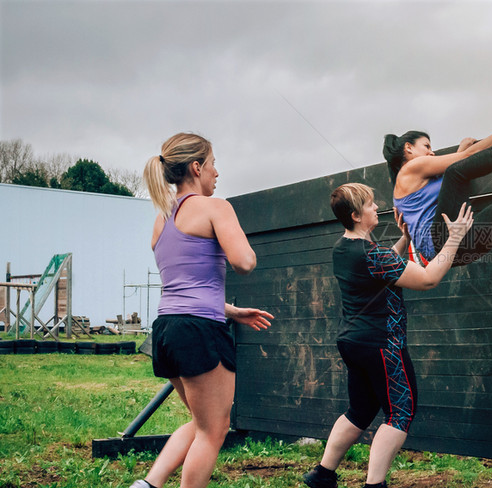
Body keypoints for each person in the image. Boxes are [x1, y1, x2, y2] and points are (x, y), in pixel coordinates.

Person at [302, 183, 473, 488]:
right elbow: (429, 279)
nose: (376, 207)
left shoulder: (343, 248)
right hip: (382, 344)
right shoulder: (371, 254)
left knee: (360, 411)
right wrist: (456, 238)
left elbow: (381, 268)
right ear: (356, 215)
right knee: (400, 414)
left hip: (354, 343)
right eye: (369, 204)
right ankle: (374, 485)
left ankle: (322, 475)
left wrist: (405, 238)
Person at [130, 133, 274, 488]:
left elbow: (183, 288)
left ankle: (148, 484)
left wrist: (232, 311)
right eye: (212, 165)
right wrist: (238, 242)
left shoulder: (161, 222)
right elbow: (244, 262)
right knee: (214, 431)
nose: (216, 173)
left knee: (202, 422)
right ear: (197, 167)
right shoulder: (215, 207)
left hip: (167, 330)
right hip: (198, 331)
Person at [384, 96, 492, 310]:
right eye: (426, 146)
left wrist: (463, 152)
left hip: (459, 246)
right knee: (457, 171)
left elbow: (466, 162)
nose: (431, 151)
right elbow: (463, 163)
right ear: (408, 148)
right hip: (441, 244)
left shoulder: (422, 178)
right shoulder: (410, 169)